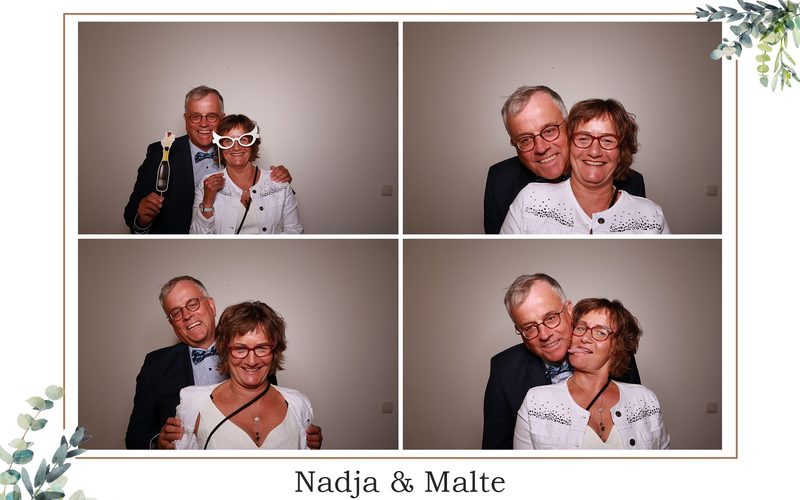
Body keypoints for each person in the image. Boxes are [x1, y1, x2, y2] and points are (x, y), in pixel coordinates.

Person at [124, 276, 321, 449]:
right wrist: (159, 442)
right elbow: (135, 437)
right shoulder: (155, 365)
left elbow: (272, 405)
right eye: (175, 312)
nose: (186, 315)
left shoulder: (254, 353)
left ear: (211, 305)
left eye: (192, 303)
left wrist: (298, 436)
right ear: (171, 322)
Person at [482, 274, 640, 449]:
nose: (544, 335)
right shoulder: (504, 370)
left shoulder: (613, 351)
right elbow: (496, 453)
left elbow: (639, 427)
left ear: (569, 309)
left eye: (550, 318)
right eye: (529, 327)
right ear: (519, 330)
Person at [123, 86, 291, 234]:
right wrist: (142, 219)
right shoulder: (161, 152)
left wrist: (278, 179)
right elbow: (132, 216)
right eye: (196, 116)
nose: (203, 124)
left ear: (222, 118)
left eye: (211, 116)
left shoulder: (235, 152)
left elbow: (267, 197)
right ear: (186, 119)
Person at [483, 86, 646, 234]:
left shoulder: (631, 183)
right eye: (525, 139)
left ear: (569, 126)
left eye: (549, 131)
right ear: (514, 144)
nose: (541, 148)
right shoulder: (500, 181)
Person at [513, 298, 669, 449]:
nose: (585, 338)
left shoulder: (646, 400)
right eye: (581, 328)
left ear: (617, 348)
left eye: (601, 332)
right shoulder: (536, 402)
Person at [175, 301, 313, 449]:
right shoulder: (193, 405)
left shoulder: (299, 405)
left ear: (274, 351)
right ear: (225, 351)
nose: (252, 361)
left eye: (261, 348)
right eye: (240, 349)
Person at [191, 114, 302, 234]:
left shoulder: (278, 181)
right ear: (219, 147)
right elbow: (196, 238)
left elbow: (294, 230)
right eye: (228, 141)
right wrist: (207, 202)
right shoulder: (206, 185)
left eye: (243, 140)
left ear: (252, 145)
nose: (236, 148)